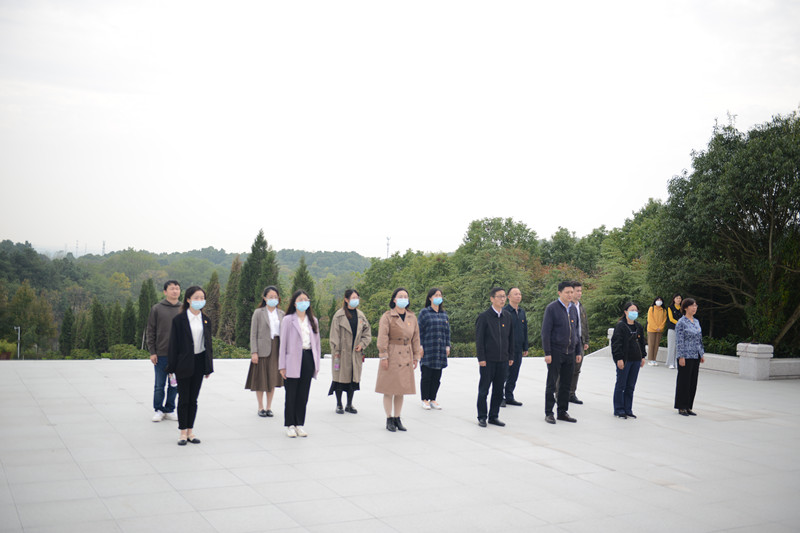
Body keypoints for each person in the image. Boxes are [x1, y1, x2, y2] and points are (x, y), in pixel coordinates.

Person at [166, 286, 214, 445]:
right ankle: (182, 432)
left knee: (193, 399)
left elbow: (209, 345)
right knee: (184, 398)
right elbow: (173, 345)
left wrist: (208, 366)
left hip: (199, 362)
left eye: (202, 298)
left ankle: (190, 431)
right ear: (188, 300)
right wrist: (171, 368)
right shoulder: (179, 320)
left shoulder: (206, 320)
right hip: (183, 363)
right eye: (196, 298)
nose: (200, 301)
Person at [376, 288, 422, 432]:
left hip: (406, 353)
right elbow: (382, 336)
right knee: (389, 388)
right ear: (394, 299)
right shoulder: (387, 316)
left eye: (405, 296)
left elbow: (416, 338)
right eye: (400, 296)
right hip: (392, 353)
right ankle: (389, 418)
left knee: (401, 389)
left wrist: (416, 356)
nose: (403, 299)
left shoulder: (411, 317)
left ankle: (397, 417)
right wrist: (383, 355)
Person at [279, 290, 321, 437]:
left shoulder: (313, 320)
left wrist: (317, 364)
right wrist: (282, 366)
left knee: (303, 394)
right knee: (291, 394)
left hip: (308, 358)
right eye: (300, 300)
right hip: (292, 360)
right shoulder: (288, 320)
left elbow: (317, 344)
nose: (304, 302)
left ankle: (299, 424)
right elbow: (282, 344)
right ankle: (290, 424)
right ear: (295, 303)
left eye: (306, 299)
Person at [541, 281, 581, 424]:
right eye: (567, 292)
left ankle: (562, 411)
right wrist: (547, 352)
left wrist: (578, 351)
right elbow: (546, 332)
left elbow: (576, 332)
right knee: (552, 383)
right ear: (559, 293)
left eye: (571, 292)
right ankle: (549, 412)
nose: (570, 295)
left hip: (570, 352)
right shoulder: (552, 308)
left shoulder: (573, 309)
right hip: (556, 351)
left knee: (566, 384)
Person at [475, 287, 514, 427]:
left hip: (503, 360)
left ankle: (494, 416)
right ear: (492, 299)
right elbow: (479, 340)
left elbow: (511, 338)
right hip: (488, 360)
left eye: (504, 296)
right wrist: (481, 358)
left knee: (498, 390)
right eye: (499, 296)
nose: (502, 299)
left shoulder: (507, 316)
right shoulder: (484, 317)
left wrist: (510, 356)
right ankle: (482, 416)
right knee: (484, 390)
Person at [329, 289, 372, 414]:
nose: (356, 300)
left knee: (353, 379)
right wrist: (336, 350)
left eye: (357, 298)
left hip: (355, 353)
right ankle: (339, 404)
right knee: (339, 378)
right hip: (341, 353)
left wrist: (362, 345)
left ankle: (349, 404)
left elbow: (367, 333)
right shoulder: (339, 315)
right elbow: (334, 335)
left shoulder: (361, 315)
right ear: (346, 300)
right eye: (353, 298)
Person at [246, 286, 284, 417]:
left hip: (276, 348)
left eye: (275, 297)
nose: (273, 299)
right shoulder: (258, 312)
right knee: (261, 379)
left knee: (272, 378)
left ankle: (269, 407)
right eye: (270, 297)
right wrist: (254, 352)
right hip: (262, 349)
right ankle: (260, 407)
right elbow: (253, 334)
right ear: (264, 298)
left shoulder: (282, 313)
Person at [147, 280, 182, 422]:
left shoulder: (183, 309)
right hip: (161, 354)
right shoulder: (157, 308)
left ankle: (170, 409)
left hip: (179, 355)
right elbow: (151, 331)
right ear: (165, 291)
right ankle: (158, 410)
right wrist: (152, 352)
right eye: (172, 288)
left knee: (174, 385)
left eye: (177, 288)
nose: (175, 291)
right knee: (159, 385)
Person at [611, 302, 647, 419]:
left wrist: (643, 356)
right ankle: (619, 409)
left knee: (630, 386)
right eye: (632, 310)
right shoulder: (621, 326)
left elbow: (642, 343)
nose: (634, 312)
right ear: (625, 312)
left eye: (636, 310)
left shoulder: (638, 326)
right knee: (621, 385)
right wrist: (619, 358)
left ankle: (628, 409)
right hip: (625, 360)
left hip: (636, 360)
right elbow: (616, 344)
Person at [418, 288, 451, 410]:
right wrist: (420, 346)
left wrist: (447, 346)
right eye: (436, 295)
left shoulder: (443, 314)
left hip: (440, 349)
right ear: (430, 298)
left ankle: (433, 399)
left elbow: (447, 332)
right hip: (428, 348)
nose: (438, 297)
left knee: (437, 377)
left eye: (440, 295)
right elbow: (419, 331)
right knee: (426, 376)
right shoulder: (424, 313)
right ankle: (425, 399)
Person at [674, 298, 704, 416]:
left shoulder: (696, 321)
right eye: (692, 306)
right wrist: (681, 356)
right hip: (685, 355)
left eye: (696, 306)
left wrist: (701, 353)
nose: (694, 308)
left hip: (695, 355)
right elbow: (679, 341)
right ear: (686, 308)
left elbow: (699, 339)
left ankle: (689, 406)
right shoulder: (681, 323)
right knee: (684, 382)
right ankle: (681, 406)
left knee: (692, 382)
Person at [501, 287, 528, 408]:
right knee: (503, 374)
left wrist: (525, 346)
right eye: (515, 294)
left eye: (520, 294)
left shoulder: (521, 312)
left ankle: (509, 396)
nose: (518, 296)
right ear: (509, 297)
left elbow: (524, 330)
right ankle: (500, 397)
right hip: (507, 349)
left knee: (514, 374)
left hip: (518, 348)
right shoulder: (504, 311)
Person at [569, 281, 589, 405]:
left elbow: (585, 325)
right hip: (569, 341)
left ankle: (572, 393)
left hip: (580, 341)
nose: (579, 293)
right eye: (577, 291)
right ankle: (559, 393)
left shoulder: (581, 307)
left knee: (577, 369)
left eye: (581, 291)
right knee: (565, 369)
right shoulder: (567, 306)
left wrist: (586, 340)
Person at [646, 297, 667, 366]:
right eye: (658, 300)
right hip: (651, 329)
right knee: (651, 344)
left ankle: (654, 359)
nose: (659, 301)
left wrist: (660, 327)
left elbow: (664, 320)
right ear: (655, 301)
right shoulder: (651, 308)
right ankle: (650, 360)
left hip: (659, 330)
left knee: (656, 345)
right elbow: (650, 319)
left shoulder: (664, 310)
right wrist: (655, 327)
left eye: (660, 300)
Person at [665, 293, 683, 369]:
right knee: (671, 346)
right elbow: (671, 319)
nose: (678, 299)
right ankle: (670, 363)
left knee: (678, 346)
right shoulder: (670, 308)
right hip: (672, 328)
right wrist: (679, 322)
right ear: (674, 299)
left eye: (680, 298)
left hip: (680, 330)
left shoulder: (682, 308)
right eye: (677, 298)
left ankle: (676, 362)